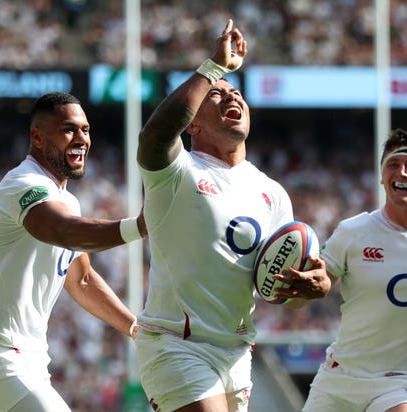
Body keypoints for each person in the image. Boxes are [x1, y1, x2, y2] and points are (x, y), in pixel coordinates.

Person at [133, 19, 325, 412]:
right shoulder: (177, 170)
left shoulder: (272, 194)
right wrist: (213, 68)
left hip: (237, 351)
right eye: (216, 95)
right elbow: (153, 136)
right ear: (193, 124)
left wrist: (310, 288)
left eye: (235, 92)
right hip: (176, 343)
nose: (229, 96)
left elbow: (275, 288)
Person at [0, 92, 146, 412]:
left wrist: (136, 330)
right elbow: (62, 229)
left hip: (28, 361)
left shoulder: (67, 201)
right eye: (69, 129)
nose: (81, 138)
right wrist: (139, 227)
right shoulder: (23, 184)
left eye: (86, 129)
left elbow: (81, 281)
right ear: (37, 137)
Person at [275, 129, 407, 411]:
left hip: (403, 383)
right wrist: (304, 290)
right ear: (381, 177)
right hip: (340, 377)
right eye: (393, 164)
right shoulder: (352, 231)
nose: (401, 171)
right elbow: (315, 285)